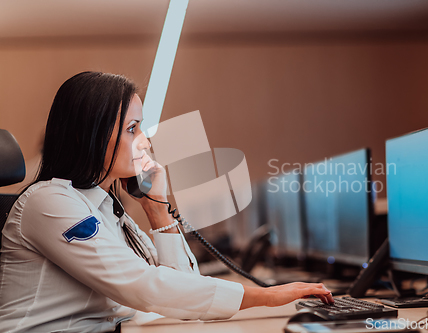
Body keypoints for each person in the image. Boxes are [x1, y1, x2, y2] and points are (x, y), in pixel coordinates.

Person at [0, 72, 334, 333]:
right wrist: (267, 296)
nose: (144, 141)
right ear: (86, 135)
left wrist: (157, 207)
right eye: (132, 128)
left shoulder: (107, 209)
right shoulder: (49, 203)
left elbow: (181, 291)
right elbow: (146, 287)